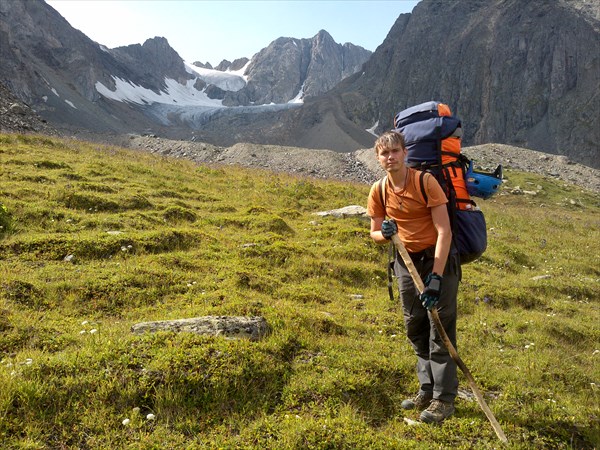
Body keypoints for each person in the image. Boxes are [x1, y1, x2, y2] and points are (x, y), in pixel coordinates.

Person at [367, 130, 460, 424]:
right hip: (405, 263)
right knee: (415, 326)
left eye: (395, 151)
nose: (390, 157)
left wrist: (436, 277)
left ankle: (443, 400)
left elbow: (444, 231)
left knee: (439, 328)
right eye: (384, 153)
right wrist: (384, 234)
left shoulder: (425, 182)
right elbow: (374, 233)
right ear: (378, 158)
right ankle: (426, 388)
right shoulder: (379, 190)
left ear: (406, 153)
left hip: (438, 259)